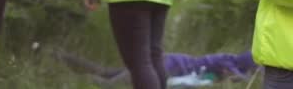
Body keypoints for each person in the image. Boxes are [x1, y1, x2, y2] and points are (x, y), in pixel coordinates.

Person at [53, 49, 258, 85]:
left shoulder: (230, 60)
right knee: (108, 83)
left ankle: (62, 58)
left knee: (107, 73)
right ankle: (66, 74)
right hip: (165, 66)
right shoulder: (229, 63)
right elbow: (234, 75)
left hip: (166, 62)